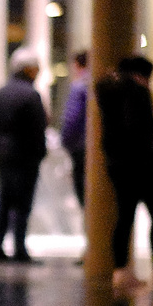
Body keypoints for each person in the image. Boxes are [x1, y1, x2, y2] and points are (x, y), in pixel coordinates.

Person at [97, 54, 153, 290]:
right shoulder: (136, 92)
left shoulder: (109, 92)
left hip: (117, 164)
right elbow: (139, 128)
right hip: (140, 165)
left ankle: (121, 270)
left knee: (125, 216)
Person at [0, 47, 48, 263]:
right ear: (29, 70)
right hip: (26, 159)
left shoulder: (0, 93)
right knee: (23, 205)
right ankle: (19, 248)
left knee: (4, 201)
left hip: (3, 157)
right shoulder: (31, 95)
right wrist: (40, 153)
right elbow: (38, 129)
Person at [61, 50, 90, 208]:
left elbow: (72, 117)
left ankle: (91, 229)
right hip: (97, 147)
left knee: (83, 193)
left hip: (80, 147)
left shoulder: (79, 87)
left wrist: (66, 142)